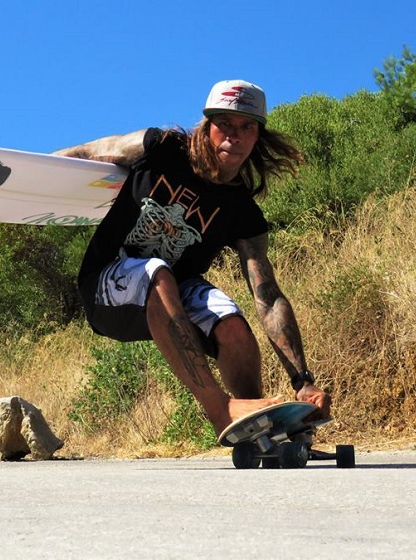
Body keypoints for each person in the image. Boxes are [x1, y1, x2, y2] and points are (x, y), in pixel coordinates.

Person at [54, 79, 331, 437]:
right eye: (224, 124)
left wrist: (302, 380)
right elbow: (88, 152)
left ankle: (261, 427)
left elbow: (268, 297)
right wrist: (4, 199)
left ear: (257, 136)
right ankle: (220, 409)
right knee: (157, 271)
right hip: (105, 292)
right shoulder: (162, 148)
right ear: (207, 126)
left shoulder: (242, 212)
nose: (234, 136)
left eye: (247, 127)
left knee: (229, 320)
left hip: (171, 301)